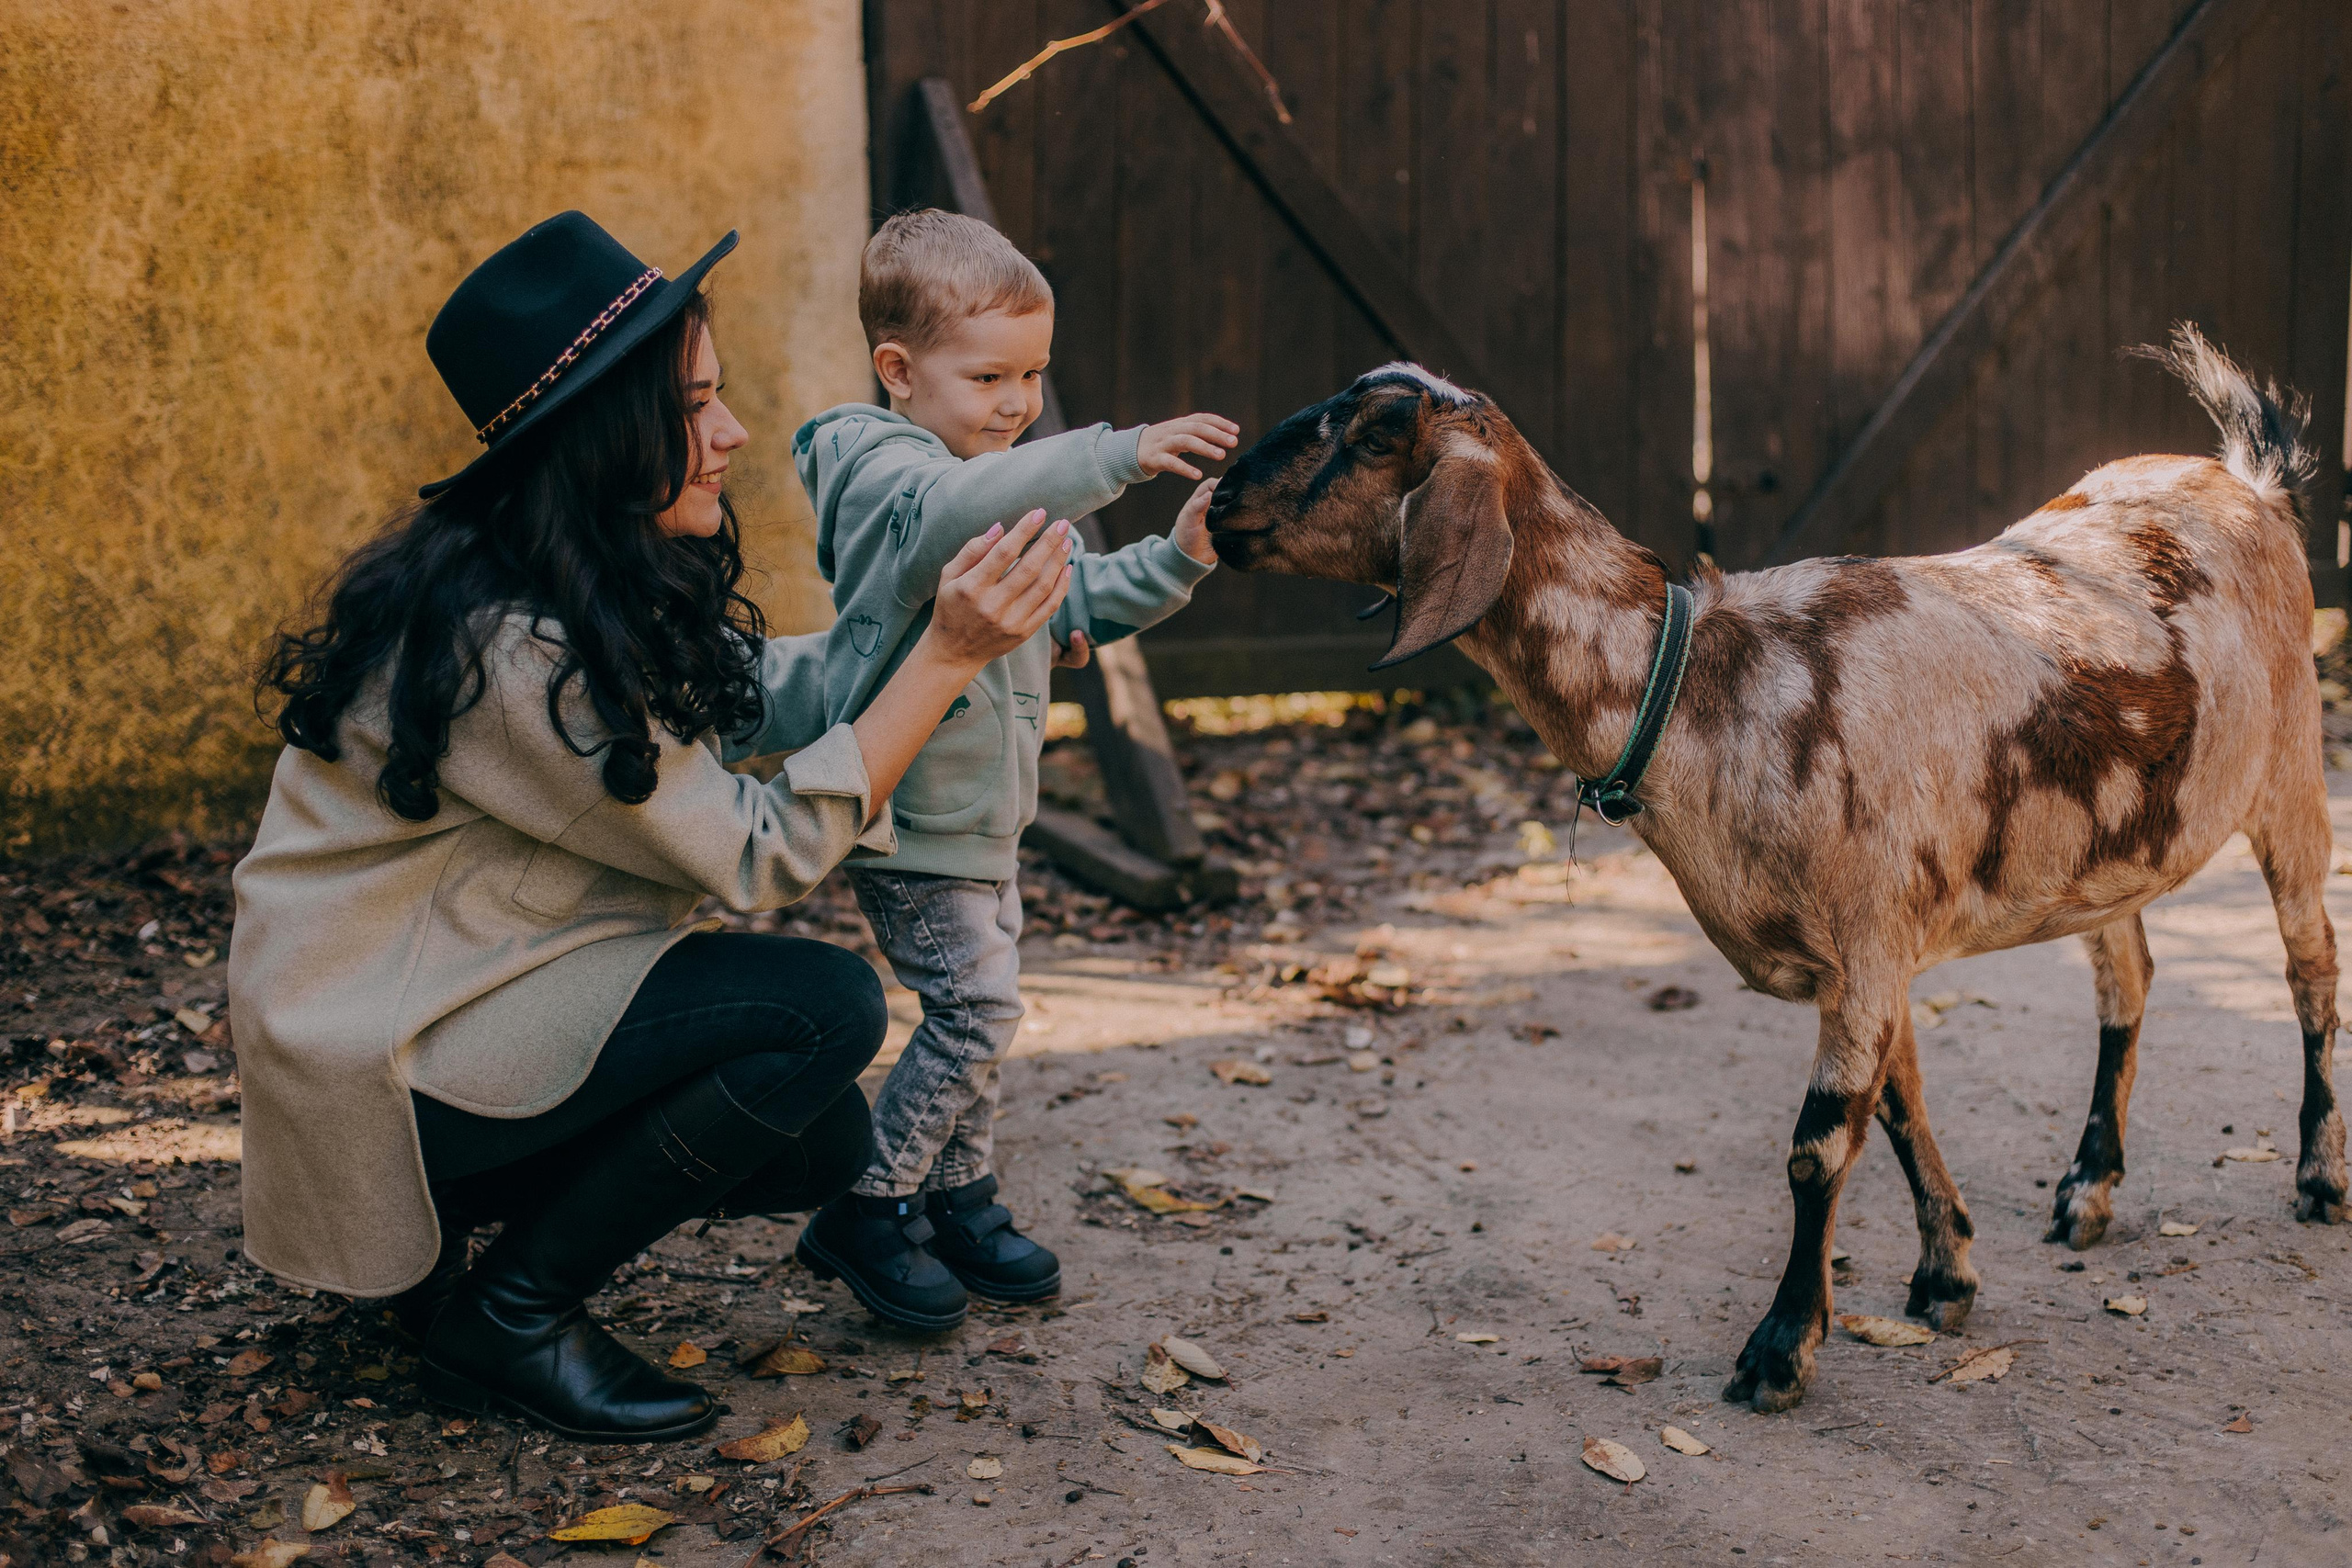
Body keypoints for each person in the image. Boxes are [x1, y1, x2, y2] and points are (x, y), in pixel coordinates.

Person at [228, 211, 1078, 1442]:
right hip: (382, 1050)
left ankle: (471, 1264)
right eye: (693, 407)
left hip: (470, 987)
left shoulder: (577, 569)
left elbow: (752, 694)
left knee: (816, 1138)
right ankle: (510, 1314)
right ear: (602, 434)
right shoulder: (508, 648)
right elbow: (760, 854)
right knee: (820, 1009)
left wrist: (920, 631)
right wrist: (946, 657)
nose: (730, 432)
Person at [781, 209, 1237, 1329]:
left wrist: (1180, 555)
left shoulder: (1002, 475)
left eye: (1035, 375)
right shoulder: (877, 467)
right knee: (976, 1012)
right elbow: (948, 514)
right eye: (990, 375)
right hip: (912, 824)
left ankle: (959, 1193)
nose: (1018, 402)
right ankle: (867, 1204)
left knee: (975, 1024)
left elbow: (1081, 598)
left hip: (991, 825)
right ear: (898, 368)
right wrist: (1113, 453)